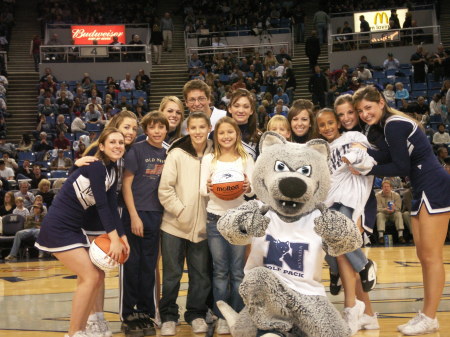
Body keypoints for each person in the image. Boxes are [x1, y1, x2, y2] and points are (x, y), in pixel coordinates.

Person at [353, 85, 450, 335]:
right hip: (421, 186)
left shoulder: (394, 124)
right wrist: (365, 152)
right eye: (360, 110)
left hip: (432, 184)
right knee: (423, 255)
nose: (364, 114)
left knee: (431, 256)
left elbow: (399, 166)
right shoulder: (384, 128)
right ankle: (427, 315)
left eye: (368, 107)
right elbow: (385, 156)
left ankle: (430, 316)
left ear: (381, 103)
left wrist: (366, 168)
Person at [35, 127, 130, 337]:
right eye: (112, 142)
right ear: (102, 146)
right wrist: (113, 239)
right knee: (90, 275)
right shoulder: (96, 167)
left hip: (73, 228)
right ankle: (74, 332)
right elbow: (103, 206)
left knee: (95, 275)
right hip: (58, 226)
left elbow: (113, 208)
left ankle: (83, 329)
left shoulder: (112, 170)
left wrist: (122, 237)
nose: (117, 146)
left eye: (121, 142)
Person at [74, 111, 139, 337]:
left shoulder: (123, 153)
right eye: (126, 127)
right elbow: (79, 178)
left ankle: (97, 319)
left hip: (107, 215)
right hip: (89, 217)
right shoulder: (97, 150)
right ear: (114, 127)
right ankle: (91, 320)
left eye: (133, 129)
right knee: (91, 272)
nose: (130, 132)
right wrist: (76, 162)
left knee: (99, 271)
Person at [315, 108, 378, 335]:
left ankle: (364, 266)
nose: (328, 127)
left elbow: (365, 158)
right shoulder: (323, 149)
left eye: (332, 122)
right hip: (332, 200)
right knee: (331, 244)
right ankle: (369, 316)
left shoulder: (354, 138)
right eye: (323, 125)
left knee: (344, 248)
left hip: (354, 200)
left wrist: (353, 156)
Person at [158, 112, 213, 336]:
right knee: (172, 274)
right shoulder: (177, 153)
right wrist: (181, 211)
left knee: (201, 275)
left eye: (202, 127)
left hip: (203, 227)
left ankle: (196, 314)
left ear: (209, 128)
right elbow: (165, 189)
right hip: (174, 225)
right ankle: (169, 316)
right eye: (194, 127)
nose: (198, 131)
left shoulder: (216, 152)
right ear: (187, 129)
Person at [200, 116, 254, 335]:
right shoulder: (209, 159)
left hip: (240, 220)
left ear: (236, 134)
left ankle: (239, 315)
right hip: (216, 219)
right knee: (220, 271)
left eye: (230, 132)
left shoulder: (245, 158)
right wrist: (211, 186)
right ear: (216, 135)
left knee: (238, 272)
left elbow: (251, 192)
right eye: (221, 133)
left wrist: (248, 186)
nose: (226, 136)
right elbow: (203, 191)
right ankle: (222, 316)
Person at [121, 112, 168, 336]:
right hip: (136, 213)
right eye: (153, 127)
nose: (157, 131)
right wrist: (133, 215)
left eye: (161, 127)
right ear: (146, 130)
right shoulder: (137, 150)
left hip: (156, 214)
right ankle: (127, 313)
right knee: (132, 264)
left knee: (149, 265)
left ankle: (146, 311)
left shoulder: (169, 152)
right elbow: (126, 185)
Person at [375, 179, 406, 244]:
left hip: (393, 213)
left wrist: (394, 209)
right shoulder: (377, 195)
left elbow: (399, 208)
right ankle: (381, 237)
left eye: (388, 186)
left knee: (399, 214)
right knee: (379, 215)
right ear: (382, 188)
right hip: (384, 213)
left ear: (391, 188)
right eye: (384, 187)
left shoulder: (396, 195)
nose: (386, 188)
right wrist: (385, 209)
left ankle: (400, 236)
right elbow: (377, 208)